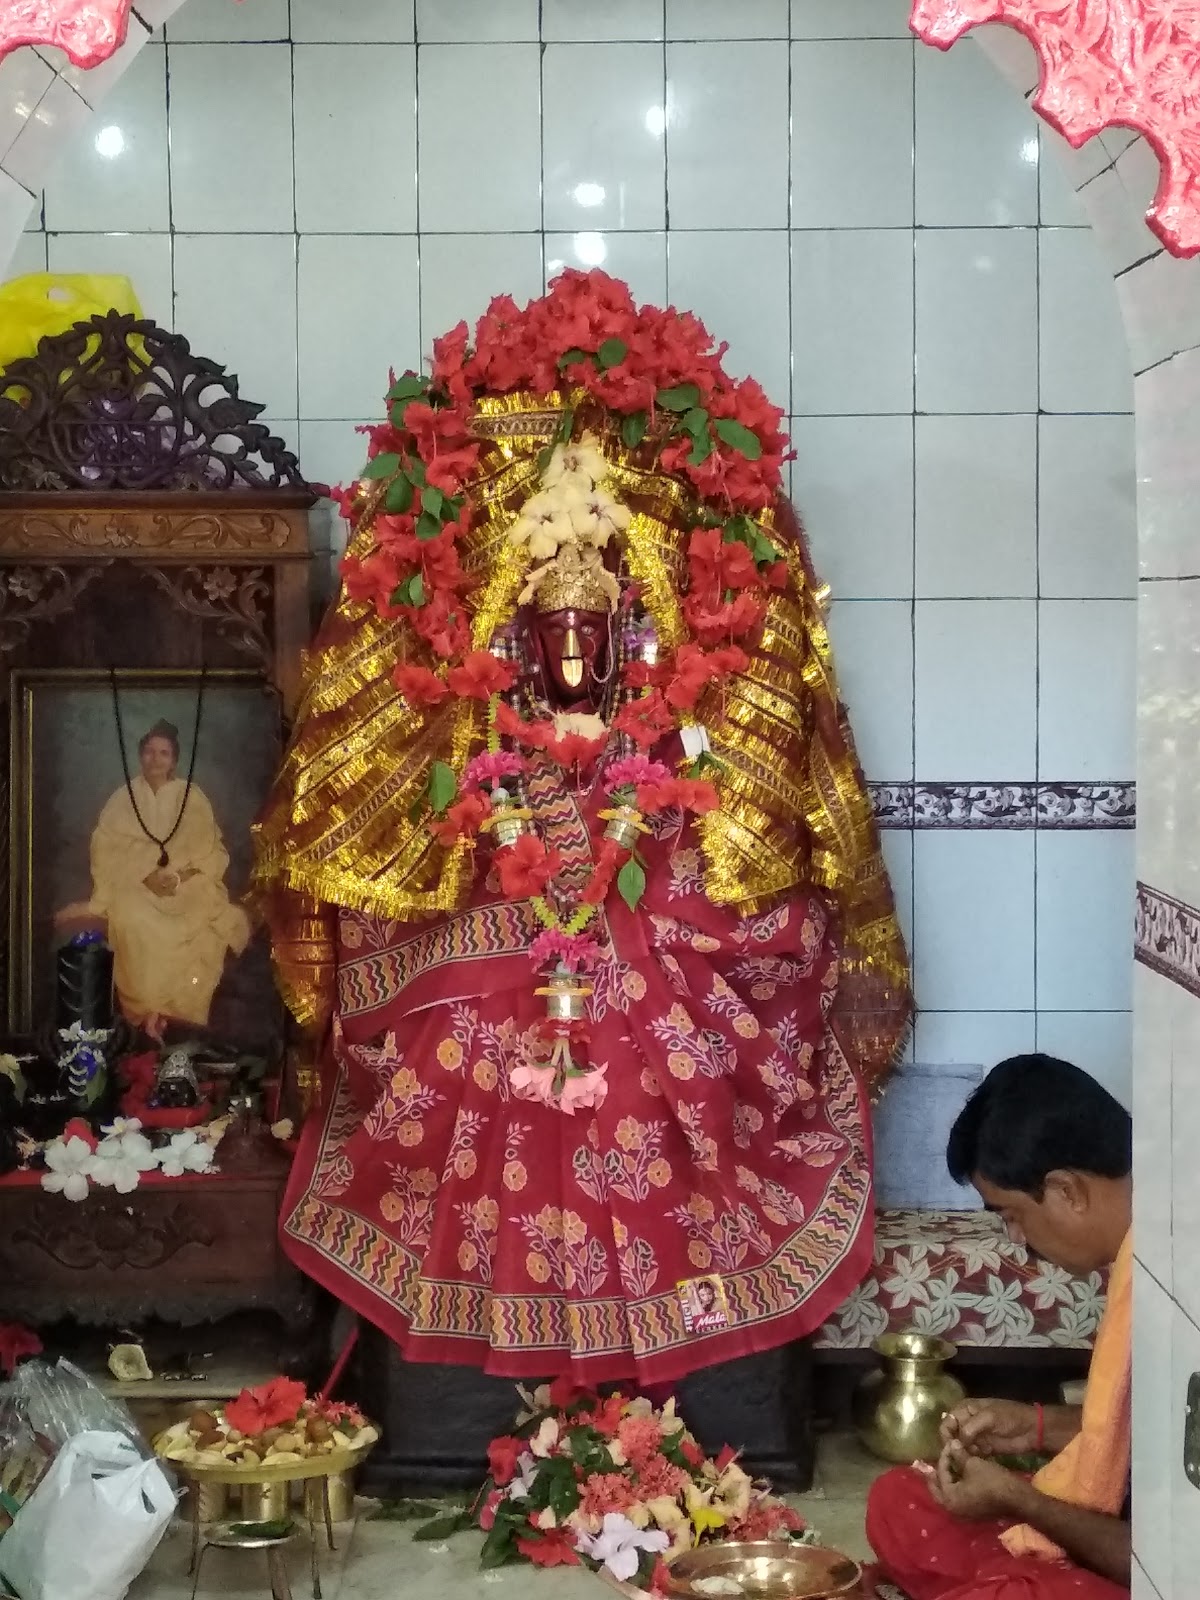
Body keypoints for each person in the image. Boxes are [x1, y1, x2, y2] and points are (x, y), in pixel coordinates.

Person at [254, 272, 912, 1385]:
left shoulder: (673, 738)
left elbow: (735, 853)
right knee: (458, 1045)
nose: (571, 653)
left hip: (649, 943)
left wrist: (641, 870)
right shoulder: (477, 735)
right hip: (504, 942)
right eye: (549, 630)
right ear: (512, 629)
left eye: (589, 633)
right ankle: (468, 1379)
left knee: (668, 1047)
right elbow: (413, 848)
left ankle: (687, 1354)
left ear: (629, 633)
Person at [866, 1054, 1132, 1600]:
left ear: (1067, 1191)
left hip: (1155, 1561)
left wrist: (1021, 1501)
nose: (1015, 1238)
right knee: (901, 1498)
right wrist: (1034, 1426)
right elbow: (1134, 1437)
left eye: (1010, 1214)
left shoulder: (1179, 1288)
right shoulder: (1145, 1250)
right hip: (1117, 1538)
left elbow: (1174, 1556)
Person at [80, 720, 251, 1039]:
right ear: (140, 756)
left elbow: (207, 852)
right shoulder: (124, 797)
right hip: (135, 884)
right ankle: (146, 1012)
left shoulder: (192, 796)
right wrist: (145, 874)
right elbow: (106, 847)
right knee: (130, 919)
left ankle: (179, 1018)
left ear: (174, 760)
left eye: (163, 753)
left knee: (201, 920)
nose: (155, 759)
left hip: (186, 883)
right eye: (149, 752)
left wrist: (175, 877)